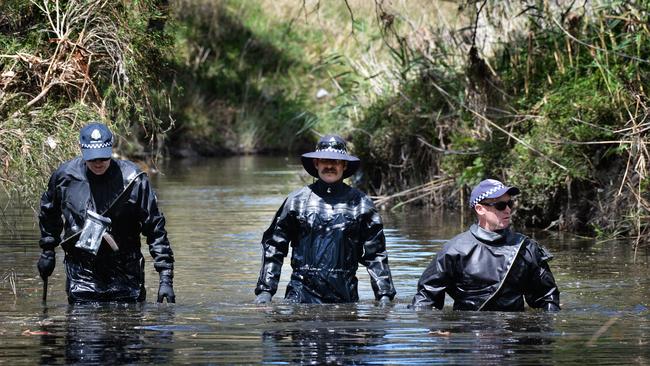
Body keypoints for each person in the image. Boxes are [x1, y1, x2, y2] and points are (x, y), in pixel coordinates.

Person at [36, 122, 175, 304]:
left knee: (125, 327)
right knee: (84, 330)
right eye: (92, 158)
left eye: (103, 157)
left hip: (126, 274)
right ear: (82, 150)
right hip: (81, 275)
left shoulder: (134, 180)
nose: (98, 163)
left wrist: (165, 277)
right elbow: (49, 212)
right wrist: (48, 250)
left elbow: (155, 228)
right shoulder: (65, 177)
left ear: (111, 149)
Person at [254, 135, 396, 304]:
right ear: (316, 164)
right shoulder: (296, 201)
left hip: (345, 300)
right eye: (325, 161)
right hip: (300, 298)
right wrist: (265, 291)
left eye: (335, 162)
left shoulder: (361, 204)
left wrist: (384, 295)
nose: (329, 166)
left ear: (344, 165)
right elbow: (274, 246)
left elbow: (376, 254)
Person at [411, 179, 560, 311]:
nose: (508, 209)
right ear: (480, 209)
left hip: (514, 334)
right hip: (469, 333)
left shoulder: (526, 248)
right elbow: (425, 300)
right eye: (501, 205)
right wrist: (438, 331)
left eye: (510, 203)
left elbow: (547, 299)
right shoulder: (454, 250)